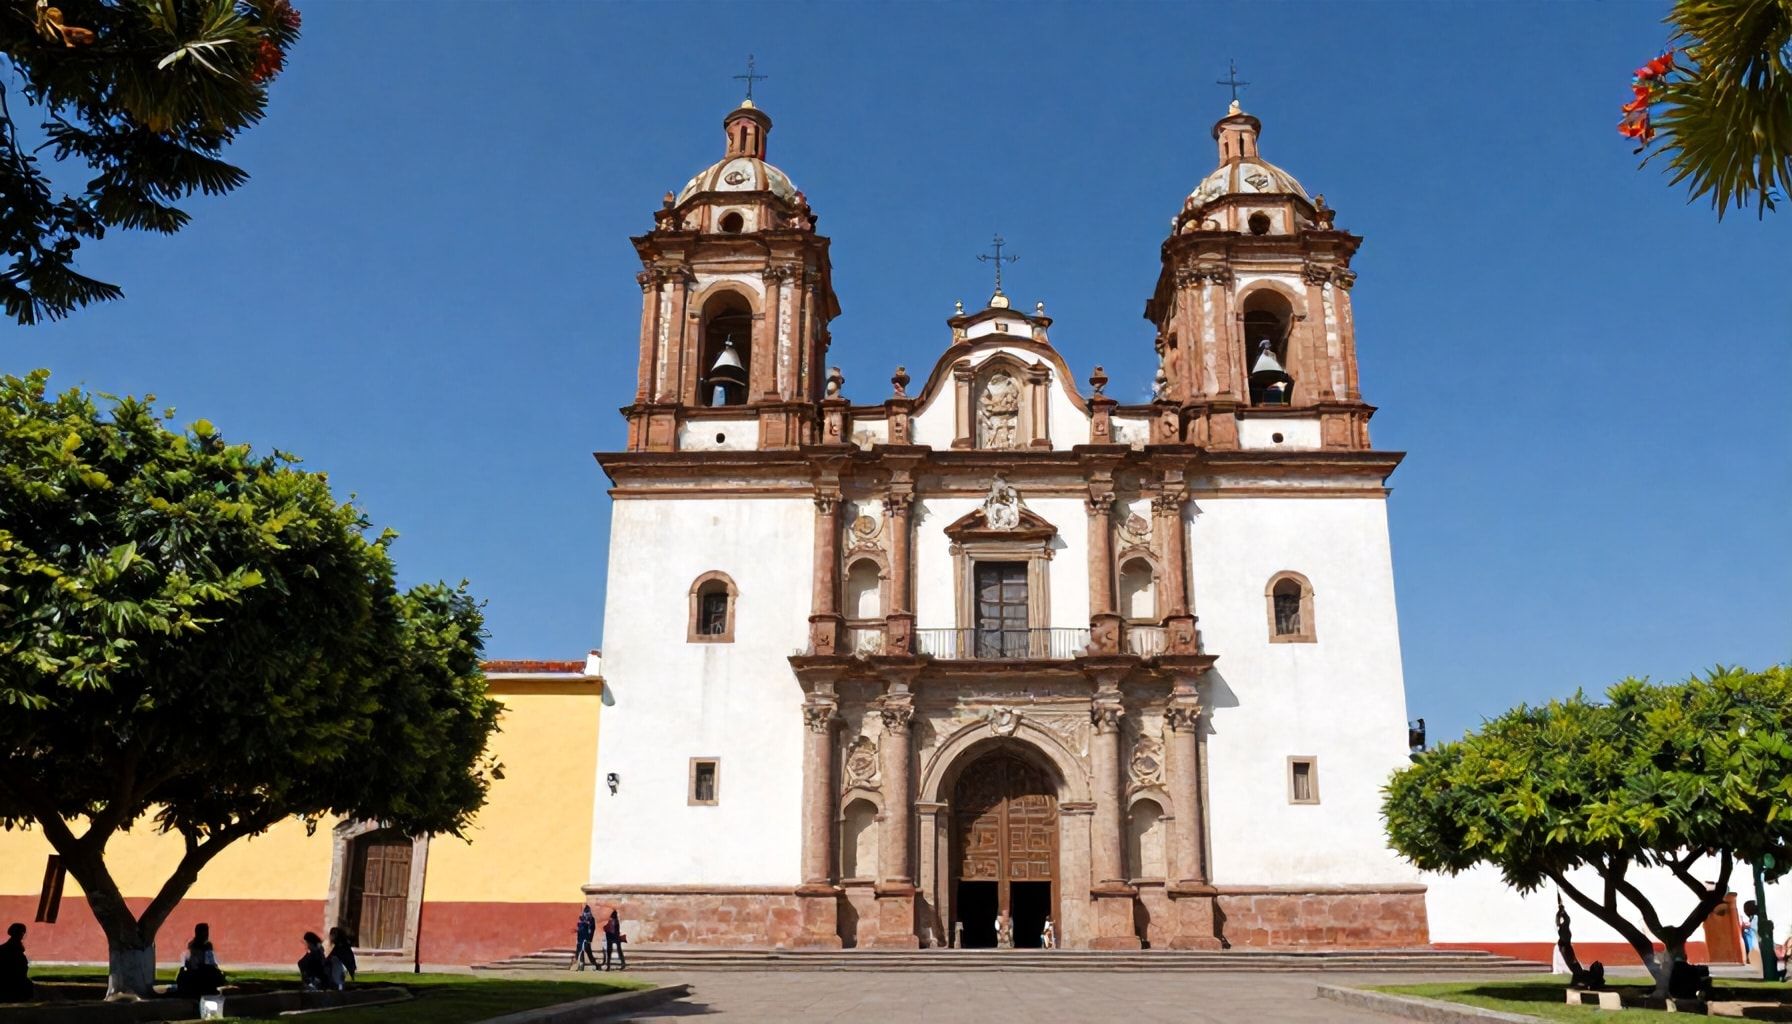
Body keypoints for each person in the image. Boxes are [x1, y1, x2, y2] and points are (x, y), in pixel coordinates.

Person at [172, 922, 224, 997]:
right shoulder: (203, 946)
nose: (207, 934)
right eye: (205, 932)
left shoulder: (193, 944)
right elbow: (207, 963)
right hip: (199, 973)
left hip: (197, 973)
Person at [0, 923, 32, 1003]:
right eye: (22, 932)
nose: (23, 935)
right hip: (12, 981)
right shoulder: (14, 949)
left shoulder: (5, 947)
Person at [572, 906, 599, 971]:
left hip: (587, 939)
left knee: (589, 953)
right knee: (581, 952)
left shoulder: (592, 919)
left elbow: (592, 929)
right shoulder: (581, 918)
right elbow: (579, 928)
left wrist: (589, 938)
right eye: (585, 913)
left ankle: (595, 965)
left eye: (588, 913)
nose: (587, 914)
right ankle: (581, 966)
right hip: (581, 938)